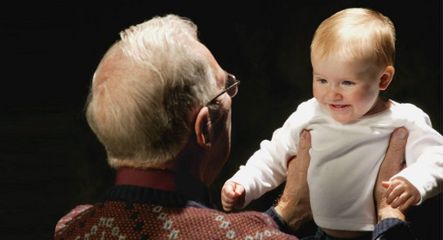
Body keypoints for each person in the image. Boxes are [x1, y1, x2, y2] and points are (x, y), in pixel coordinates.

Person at [54, 14, 417, 240]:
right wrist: (389, 217)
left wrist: (282, 215)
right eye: (225, 87)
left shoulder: (71, 227)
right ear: (205, 127)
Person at [221, 7, 443, 239]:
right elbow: (273, 155)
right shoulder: (310, 113)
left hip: (375, 234)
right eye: (322, 80)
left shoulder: (403, 120)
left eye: (347, 83)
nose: (332, 94)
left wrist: (415, 181)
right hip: (320, 233)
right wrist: (244, 183)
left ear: (383, 79)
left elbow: (437, 157)